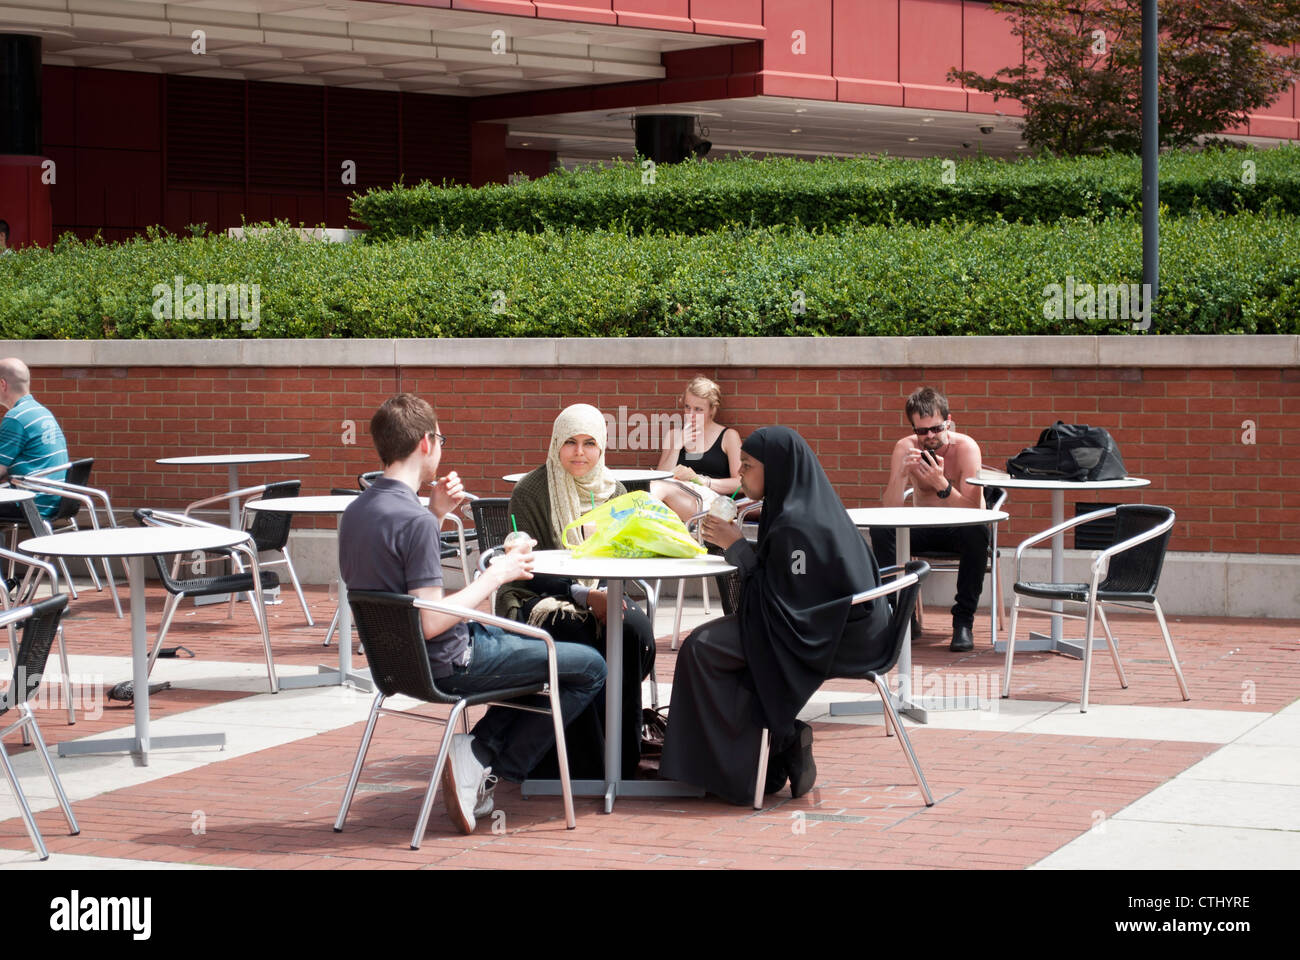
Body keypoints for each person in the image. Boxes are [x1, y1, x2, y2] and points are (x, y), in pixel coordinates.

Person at [338, 394, 606, 835]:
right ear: (426, 443)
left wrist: (435, 513)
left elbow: (398, 584)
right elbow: (430, 621)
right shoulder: (415, 522)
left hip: (394, 668)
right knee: (589, 666)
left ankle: (476, 755)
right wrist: (497, 574)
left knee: (535, 650)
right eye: (440, 438)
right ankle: (480, 757)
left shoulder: (357, 512)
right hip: (449, 663)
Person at [659, 426, 890, 806]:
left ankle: (746, 768)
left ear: (778, 468)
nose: (742, 473)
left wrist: (736, 547)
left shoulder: (799, 522)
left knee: (702, 649)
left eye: (749, 466)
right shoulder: (797, 506)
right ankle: (767, 753)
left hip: (837, 637)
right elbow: (787, 591)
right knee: (715, 648)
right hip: (824, 624)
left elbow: (783, 601)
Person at [499, 403, 657, 780]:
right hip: (540, 597)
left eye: (589, 443)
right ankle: (581, 763)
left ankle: (622, 758)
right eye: (570, 442)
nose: (580, 452)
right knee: (577, 632)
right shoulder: (531, 491)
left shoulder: (615, 491)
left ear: (602, 447)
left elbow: (624, 555)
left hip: (604, 591)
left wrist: (605, 592)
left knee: (633, 630)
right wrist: (586, 596)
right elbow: (528, 572)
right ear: (556, 444)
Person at [870, 386, 986, 652]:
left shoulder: (966, 448)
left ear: (948, 421)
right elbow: (890, 509)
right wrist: (900, 475)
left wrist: (942, 484)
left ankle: (963, 622)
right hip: (922, 526)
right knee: (882, 530)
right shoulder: (905, 447)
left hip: (960, 527)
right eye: (921, 431)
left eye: (935, 429)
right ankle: (903, 615)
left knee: (978, 531)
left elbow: (974, 511)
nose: (930, 436)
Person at [650, 376, 742, 524]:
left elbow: (741, 483)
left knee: (660, 489)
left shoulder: (728, 436)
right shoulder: (674, 435)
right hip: (676, 497)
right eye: (687, 407)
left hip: (711, 504)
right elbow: (660, 476)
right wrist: (677, 446)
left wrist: (704, 481)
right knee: (658, 487)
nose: (690, 414)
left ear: (712, 409)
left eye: (698, 409)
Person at [0, 358, 69, 519]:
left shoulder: (16, 418)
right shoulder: (41, 411)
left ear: (2, 384)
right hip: (54, 500)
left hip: (31, 503)